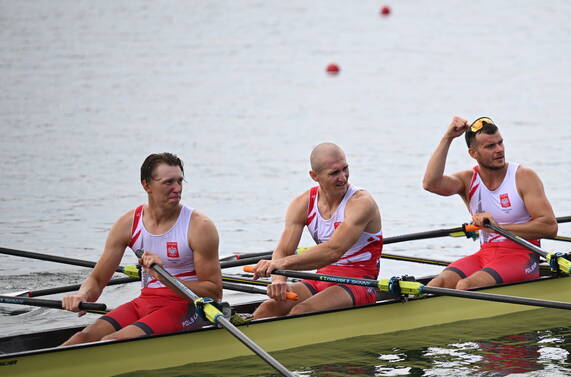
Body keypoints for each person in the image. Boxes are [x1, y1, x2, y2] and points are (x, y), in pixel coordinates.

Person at [61, 153, 222, 345]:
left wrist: (164, 278)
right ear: (146, 185)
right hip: (145, 302)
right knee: (82, 338)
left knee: (111, 341)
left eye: (180, 181)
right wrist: (82, 295)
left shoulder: (199, 227)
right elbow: (97, 280)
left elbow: (214, 293)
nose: (177, 189)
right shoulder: (128, 223)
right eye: (168, 182)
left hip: (187, 306)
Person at [421, 116, 558, 289]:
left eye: (500, 143)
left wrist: (498, 227)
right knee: (436, 285)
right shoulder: (468, 180)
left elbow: (550, 227)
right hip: (486, 253)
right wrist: (447, 138)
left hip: (522, 255)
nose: (499, 150)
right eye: (490, 146)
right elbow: (430, 184)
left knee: (465, 286)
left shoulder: (523, 177)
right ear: (473, 153)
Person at [251, 143, 383, 318]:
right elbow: (283, 250)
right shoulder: (302, 203)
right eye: (334, 173)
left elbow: (333, 251)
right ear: (314, 176)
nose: (343, 177)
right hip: (322, 278)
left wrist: (280, 264)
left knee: (301, 312)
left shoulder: (361, 202)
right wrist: (278, 280)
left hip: (359, 282)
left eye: (345, 169)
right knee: (267, 309)